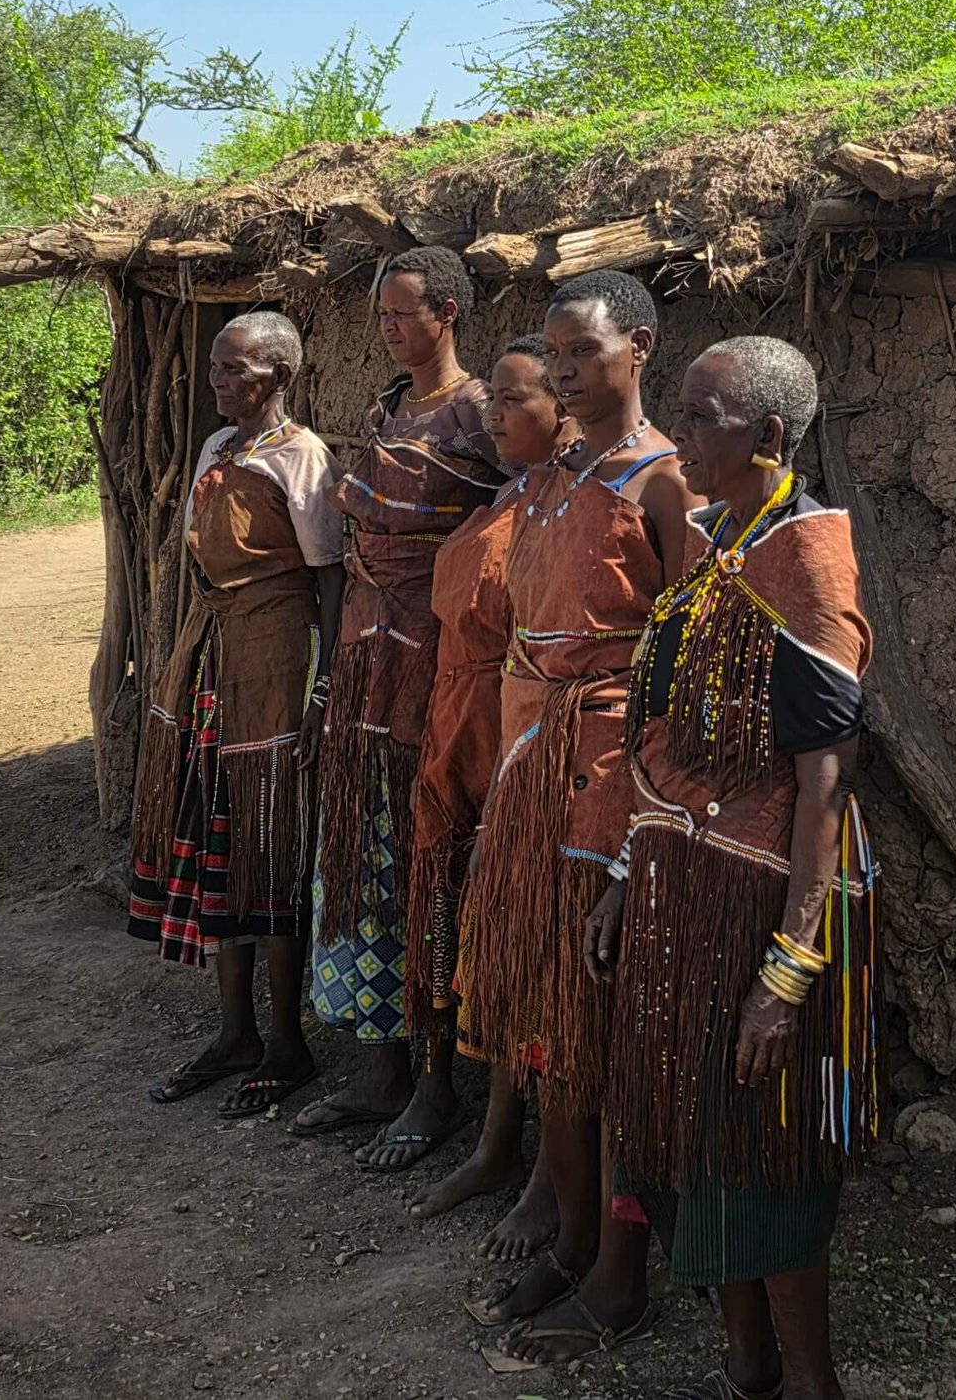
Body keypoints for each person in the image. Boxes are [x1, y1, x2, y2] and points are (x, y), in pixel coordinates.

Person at [584, 336, 880, 1400]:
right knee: (699, 1138)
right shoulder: (718, 542)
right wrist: (630, 869)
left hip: (760, 903)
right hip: (684, 885)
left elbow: (825, 779)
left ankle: (809, 1381)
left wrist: (787, 972)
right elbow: (670, 735)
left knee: (764, 1149)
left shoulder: (805, 560)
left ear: (768, 434)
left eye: (700, 418)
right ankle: (747, 1363)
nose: (681, 436)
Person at [457, 269, 700, 1371]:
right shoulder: (554, 479)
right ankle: (568, 1237)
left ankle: (619, 1272)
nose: (563, 373)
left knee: (601, 1029)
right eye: (552, 356)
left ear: (638, 347)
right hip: (536, 761)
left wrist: (639, 827)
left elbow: (687, 669)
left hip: (611, 768)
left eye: (582, 353)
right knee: (546, 1019)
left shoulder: (664, 483)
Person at [357, 334, 574, 1260]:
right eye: (494, 398)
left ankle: (525, 1161)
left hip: (512, 741)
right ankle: (468, 1119)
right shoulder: (508, 497)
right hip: (455, 728)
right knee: (458, 928)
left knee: (520, 951)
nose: (492, 411)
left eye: (514, 398)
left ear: (564, 409)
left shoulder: (571, 509)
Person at [292, 248, 504, 1142]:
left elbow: (509, 521)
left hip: (435, 663)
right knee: (365, 857)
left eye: (401, 312)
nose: (385, 327)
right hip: (366, 656)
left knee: (430, 860)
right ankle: (380, 1069)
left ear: (447, 312)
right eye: (379, 313)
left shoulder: (480, 412)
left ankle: (436, 1079)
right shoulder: (388, 406)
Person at [131, 310, 344, 1118]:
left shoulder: (302, 456)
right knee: (222, 835)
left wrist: (321, 689)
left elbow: (329, 579)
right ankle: (235, 1032)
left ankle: (286, 1043)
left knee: (271, 839)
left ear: (279, 375)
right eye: (216, 367)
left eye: (234, 368)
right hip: (216, 654)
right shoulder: (218, 449)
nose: (217, 380)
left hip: (277, 658)